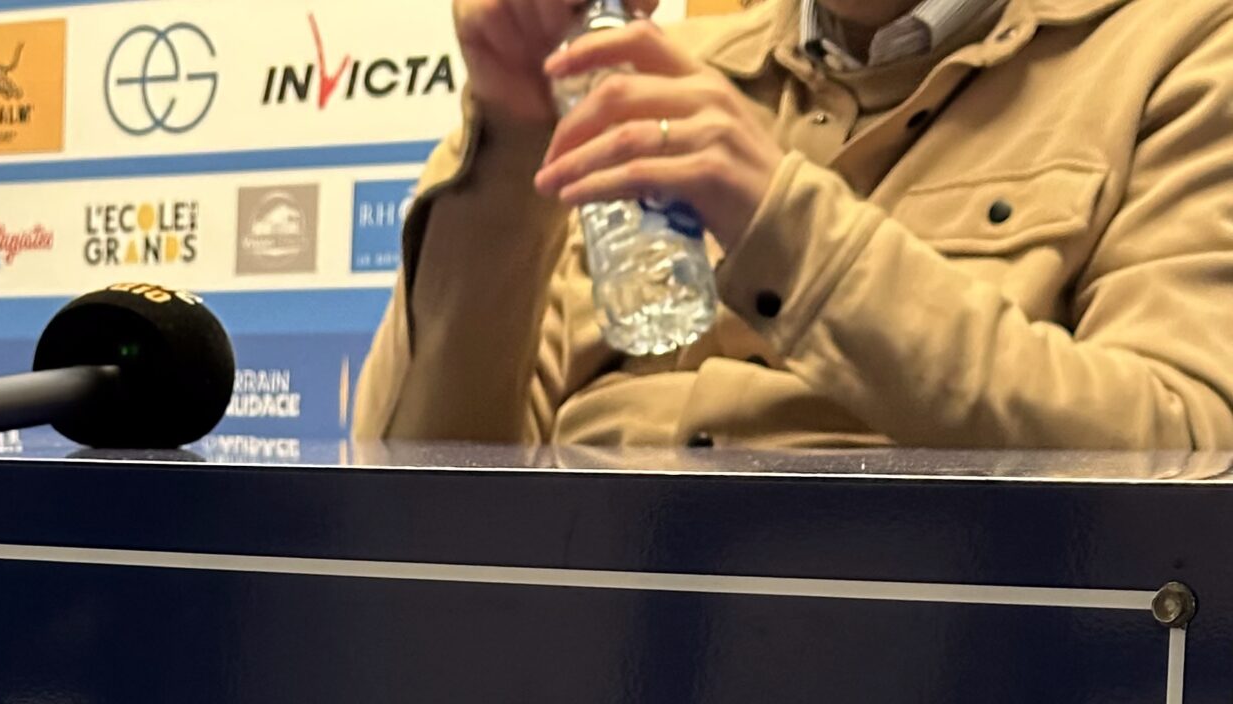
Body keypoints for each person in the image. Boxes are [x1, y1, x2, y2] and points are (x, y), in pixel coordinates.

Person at [353, 0, 1233, 449]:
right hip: (564, 671)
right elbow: (413, 488)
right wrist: (511, 146)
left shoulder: (1178, 49)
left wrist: (783, 225)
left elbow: (1185, 454)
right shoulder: (641, 72)